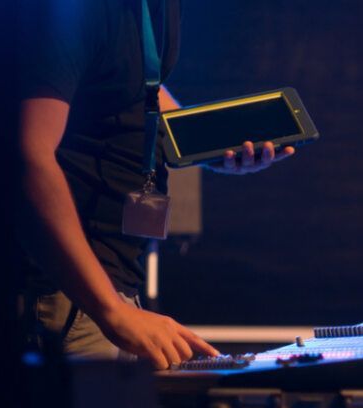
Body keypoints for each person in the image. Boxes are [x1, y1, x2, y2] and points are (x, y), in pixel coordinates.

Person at [17, 0, 294, 369]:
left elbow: (138, 89)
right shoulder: (77, 10)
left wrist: (206, 143)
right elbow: (27, 157)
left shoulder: (160, 8)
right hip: (72, 297)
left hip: (111, 293)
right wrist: (111, 311)